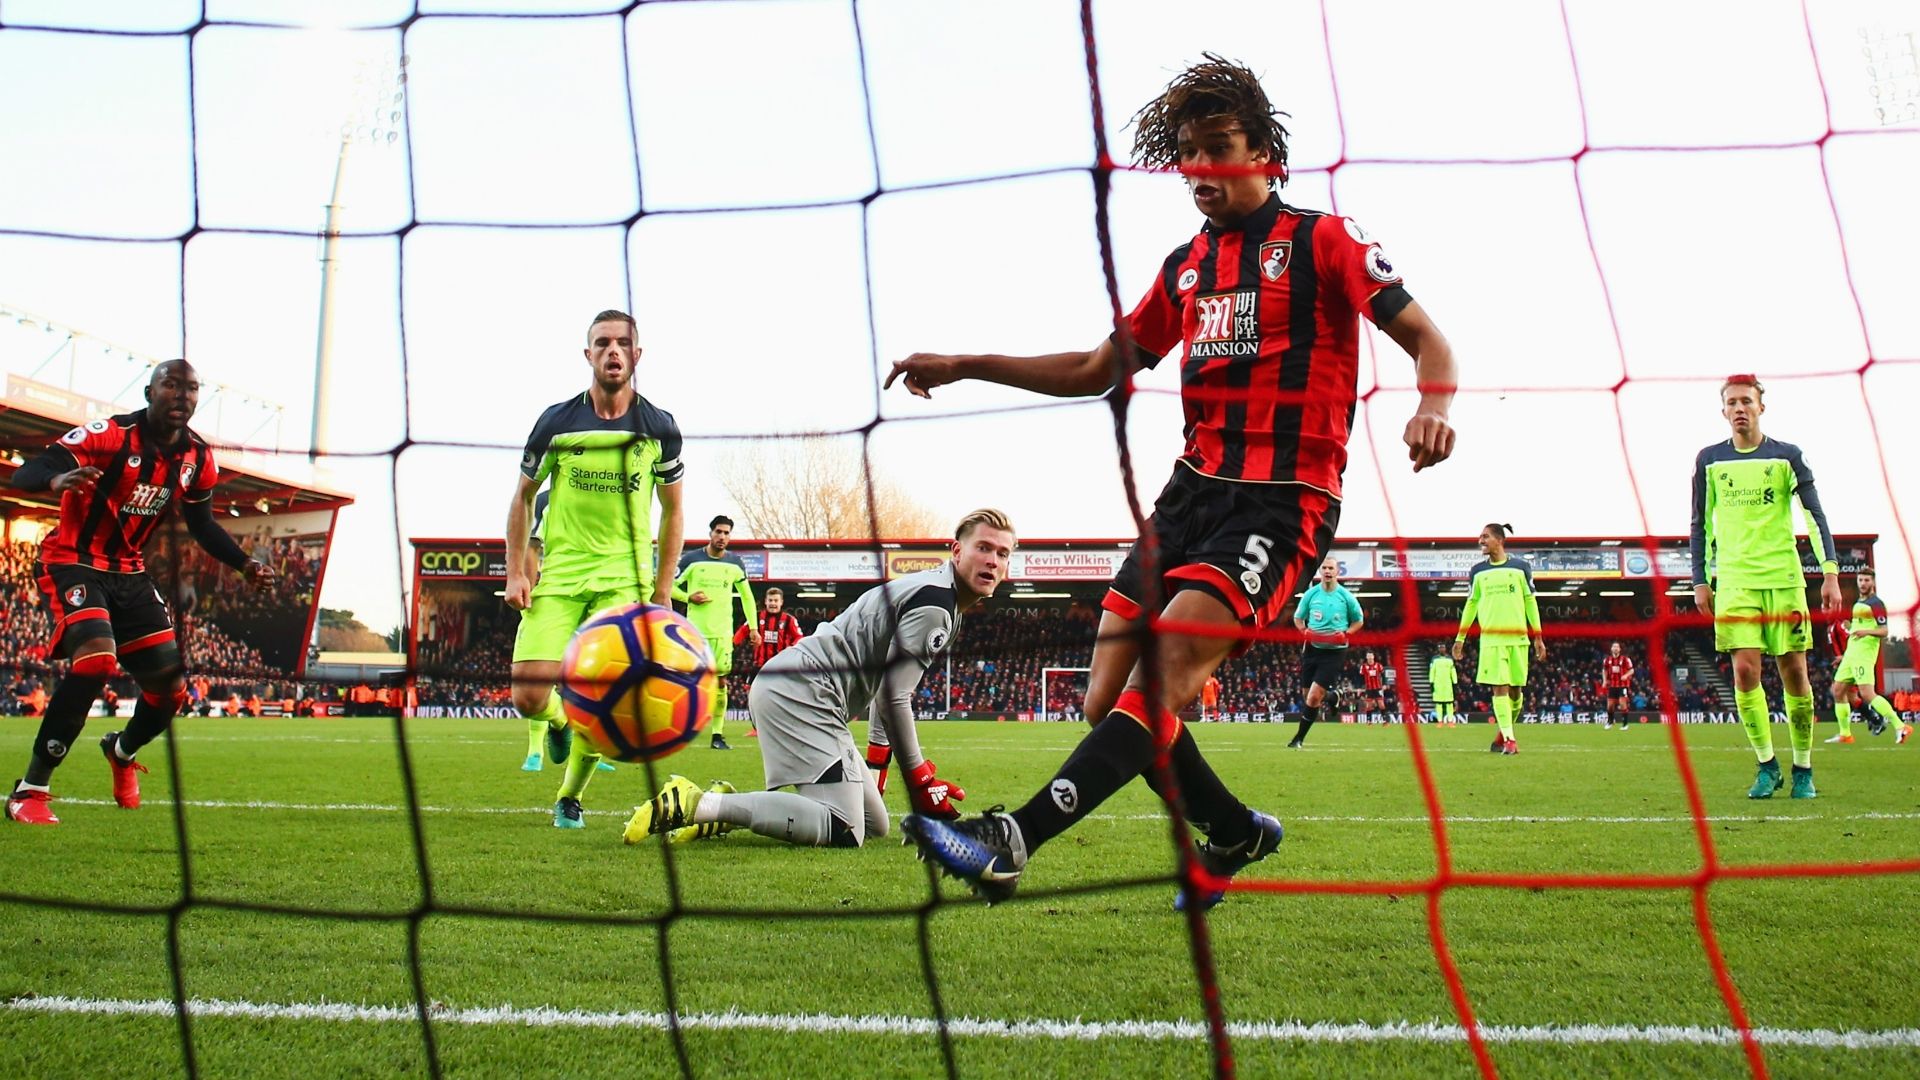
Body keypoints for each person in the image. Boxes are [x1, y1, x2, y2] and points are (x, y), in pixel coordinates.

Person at [883, 55, 1458, 906]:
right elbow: (1095, 367)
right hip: (1189, 498)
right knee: (1106, 702)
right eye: (1189, 153)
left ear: (1263, 153)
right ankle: (1233, 831)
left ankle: (1012, 839)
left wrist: (1433, 405)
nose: (1201, 169)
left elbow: (1428, 340)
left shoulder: (1324, 240)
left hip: (1281, 503)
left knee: (1161, 682)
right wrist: (968, 364)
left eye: (1218, 147)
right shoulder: (1186, 267)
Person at [623, 510, 1014, 849]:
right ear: (957, 551)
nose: (993, 561)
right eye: (983, 548)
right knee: (844, 828)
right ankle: (696, 804)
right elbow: (894, 697)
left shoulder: (939, 595)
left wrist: (877, 771)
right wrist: (919, 779)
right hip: (803, 693)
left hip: (811, 694)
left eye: (1002, 553)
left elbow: (885, 693)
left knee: (873, 824)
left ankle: (723, 809)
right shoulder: (936, 605)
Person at [5, 360, 275, 826]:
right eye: (171, 385)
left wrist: (244, 563)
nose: (182, 395)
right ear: (150, 392)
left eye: (192, 388)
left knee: (171, 690)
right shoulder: (109, 436)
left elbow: (203, 524)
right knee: (96, 661)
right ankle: (31, 789)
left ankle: (121, 751)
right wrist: (56, 480)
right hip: (72, 561)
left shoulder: (198, 458)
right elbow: (28, 471)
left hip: (130, 574)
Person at [505, 309, 684, 829]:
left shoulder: (659, 427)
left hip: (624, 581)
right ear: (588, 354)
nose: (613, 351)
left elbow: (673, 511)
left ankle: (570, 797)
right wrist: (516, 571)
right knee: (528, 696)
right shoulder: (556, 422)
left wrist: (663, 589)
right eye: (603, 343)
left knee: (605, 697)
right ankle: (557, 721)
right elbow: (522, 498)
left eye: (622, 344)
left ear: (637, 355)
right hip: (560, 576)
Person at [1691, 374, 1843, 799]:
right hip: (1735, 581)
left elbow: (1814, 515)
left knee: (1794, 671)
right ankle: (1766, 765)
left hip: (1783, 578)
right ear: (1723, 411)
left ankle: (1803, 769)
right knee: (1744, 670)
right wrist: (1700, 580)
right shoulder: (1709, 460)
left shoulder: (1787, 456)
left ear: (1761, 406)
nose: (1739, 408)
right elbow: (1700, 524)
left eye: (1747, 401)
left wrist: (1830, 572)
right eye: (1732, 402)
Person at [518, 486, 614, 773]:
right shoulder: (544, 499)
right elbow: (530, 544)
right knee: (538, 683)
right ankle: (536, 750)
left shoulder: (614, 491)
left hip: (603, 593)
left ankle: (588, 749)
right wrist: (527, 589)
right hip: (557, 596)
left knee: (591, 682)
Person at [1453, 523, 1544, 756]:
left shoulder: (1520, 567)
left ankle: (1503, 732)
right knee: (1499, 688)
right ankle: (1511, 741)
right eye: (1480, 537)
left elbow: (1530, 601)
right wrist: (1460, 637)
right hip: (1492, 641)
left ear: (1500, 540)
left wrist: (1538, 636)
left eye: (1485, 537)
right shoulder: (1477, 571)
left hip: (1518, 639)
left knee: (1515, 691)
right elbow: (1471, 604)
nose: (1481, 541)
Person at [673, 515, 755, 750]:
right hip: (695, 635)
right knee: (690, 683)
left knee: (721, 683)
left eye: (727, 533)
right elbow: (668, 585)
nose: (722, 536)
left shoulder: (735, 564)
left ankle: (717, 735)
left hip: (722, 634)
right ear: (710, 533)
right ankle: (682, 728)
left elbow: (747, 597)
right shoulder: (691, 560)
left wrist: (753, 627)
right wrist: (688, 597)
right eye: (718, 531)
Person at [1289, 555, 1361, 748]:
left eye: (1331, 568)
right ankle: (1332, 696)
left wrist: (1346, 633)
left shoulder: (1346, 597)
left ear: (1338, 571)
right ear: (1320, 571)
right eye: (1325, 568)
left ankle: (1298, 739)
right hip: (1312, 649)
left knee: (1313, 697)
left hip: (1334, 652)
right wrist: (1304, 631)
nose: (1328, 571)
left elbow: (1358, 621)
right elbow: (1298, 618)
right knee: (1307, 696)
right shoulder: (1311, 595)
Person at [1827, 566, 1905, 744]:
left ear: (1873, 582)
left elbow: (1884, 631)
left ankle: (1900, 726)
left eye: (1867, 580)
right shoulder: (1858, 604)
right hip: (1851, 655)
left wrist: (1866, 632)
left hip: (1864, 655)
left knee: (1867, 694)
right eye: (1860, 580)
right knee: (1837, 690)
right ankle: (1845, 734)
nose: (1863, 583)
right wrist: (1845, 656)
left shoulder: (1876, 604)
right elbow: (1856, 632)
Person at [736, 585, 803, 739]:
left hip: (780, 666)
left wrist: (792, 648)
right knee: (752, 695)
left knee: (783, 696)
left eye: (776, 600)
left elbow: (799, 637)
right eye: (770, 600)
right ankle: (757, 728)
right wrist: (733, 643)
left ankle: (785, 726)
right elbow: (742, 631)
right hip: (759, 665)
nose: (773, 603)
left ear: (781, 602)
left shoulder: (789, 620)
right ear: (765, 602)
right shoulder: (756, 617)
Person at [1601, 642, 1633, 730]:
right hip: (1612, 685)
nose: (1615, 648)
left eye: (1617, 647)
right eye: (1614, 647)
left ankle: (1625, 724)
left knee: (1623, 704)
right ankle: (1610, 722)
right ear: (1611, 649)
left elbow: (1631, 670)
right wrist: (1604, 681)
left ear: (1619, 649)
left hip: (1623, 685)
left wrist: (1626, 675)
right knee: (1610, 705)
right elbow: (1604, 671)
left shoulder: (1625, 659)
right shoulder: (1607, 660)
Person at [1428, 650, 1457, 725]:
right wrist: (1431, 682)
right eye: (1441, 648)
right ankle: (1440, 721)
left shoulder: (1449, 660)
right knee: (1439, 704)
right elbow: (1432, 671)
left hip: (1446, 685)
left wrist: (1455, 682)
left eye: (1443, 648)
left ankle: (1450, 721)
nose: (1442, 649)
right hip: (1439, 685)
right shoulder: (1435, 660)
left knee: (1449, 703)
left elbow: (1453, 671)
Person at [1359, 650, 1386, 716]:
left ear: (1373, 657)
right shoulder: (1363, 666)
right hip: (1369, 688)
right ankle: (1369, 720)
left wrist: (1384, 684)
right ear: (1366, 657)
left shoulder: (1379, 665)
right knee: (1369, 705)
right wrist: (1360, 687)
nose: (1370, 658)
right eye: (1368, 656)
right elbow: (1360, 677)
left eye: (1371, 656)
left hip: (1378, 688)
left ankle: (1384, 719)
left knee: (1381, 704)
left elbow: (1383, 675)